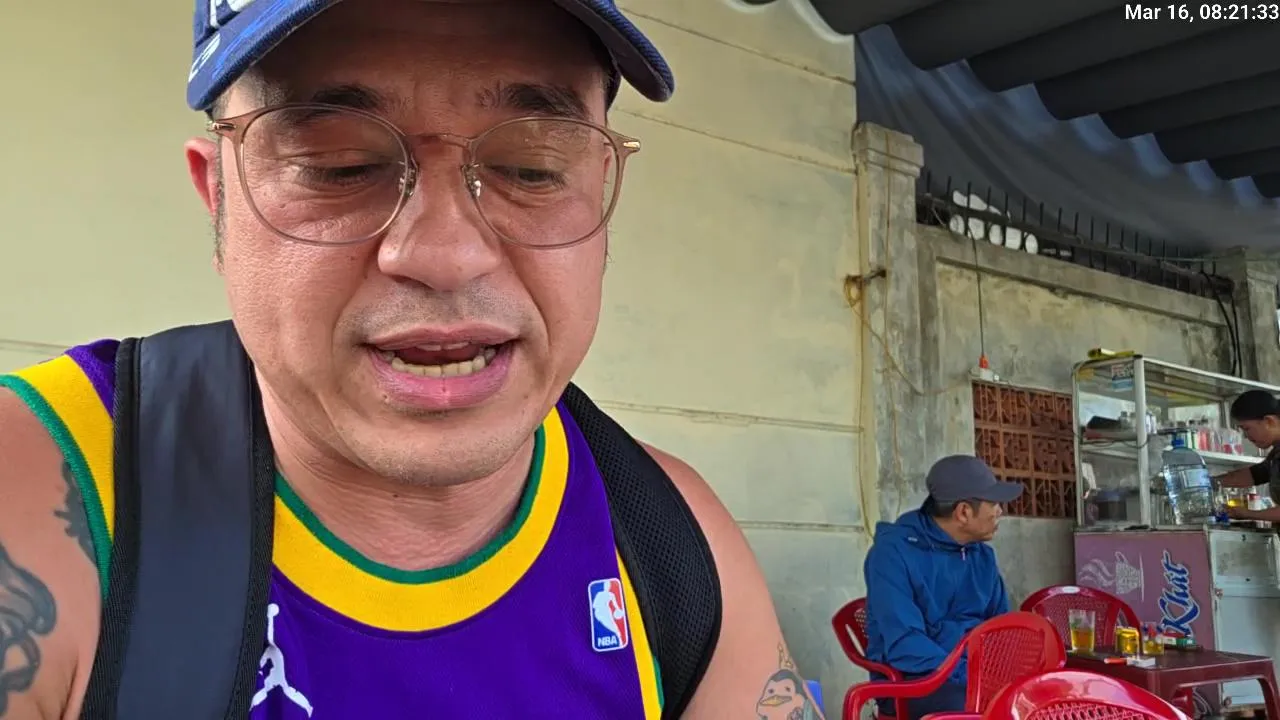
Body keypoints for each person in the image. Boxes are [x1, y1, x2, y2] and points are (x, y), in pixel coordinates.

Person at [0, 0, 826, 717]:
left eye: (533, 168)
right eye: (341, 166)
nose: (445, 254)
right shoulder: (43, 496)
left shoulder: (672, 540)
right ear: (219, 197)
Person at [861, 455, 1022, 720]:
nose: (999, 511)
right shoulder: (892, 554)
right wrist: (973, 676)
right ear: (963, 512)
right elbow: (906, 645)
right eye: (993, 503)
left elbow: (1001, 629)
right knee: (1000, 710)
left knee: (1045, 698)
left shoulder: (982, 556)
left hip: (974, 675)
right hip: (913, 681)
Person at [1217, 390, 1280, 524]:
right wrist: (1210, 482)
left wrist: (1246, 513)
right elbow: (1256, 474)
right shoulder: (1276, 453)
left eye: (1247, 428)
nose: (1246, 436)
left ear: (1269, 421)